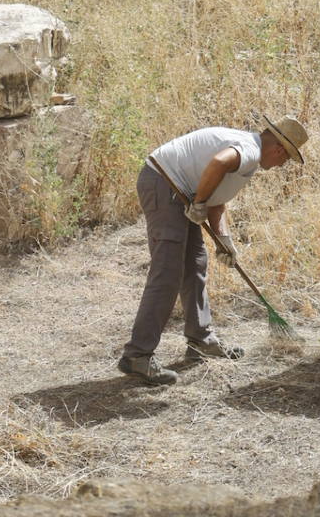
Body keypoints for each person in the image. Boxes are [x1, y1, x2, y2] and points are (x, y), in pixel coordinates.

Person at [118, 114, 308, 385]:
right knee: (168, 273)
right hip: (164, 184)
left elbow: (217, 201)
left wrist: (224, 240)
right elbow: (218, 164)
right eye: (285, 160)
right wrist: (199, 203)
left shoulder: (248, 155)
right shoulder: (250, 150)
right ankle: (138, 355)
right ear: (279, 149)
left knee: (195, 263)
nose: (280, 165)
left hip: (179, 191)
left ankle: (201, 341)